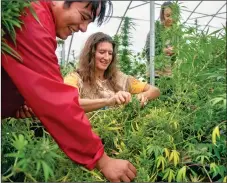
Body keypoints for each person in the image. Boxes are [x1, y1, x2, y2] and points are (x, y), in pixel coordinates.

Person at [2, 1, 137, 182]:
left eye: (110, 54)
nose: (83, 28)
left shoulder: (117, 78)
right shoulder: (33, 19)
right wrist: (102, 160)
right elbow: (58, 102)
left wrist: (16, 102)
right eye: (83, 17)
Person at [63, 32, 160, 112]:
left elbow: (155, 90)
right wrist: (108, 101)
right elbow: (71, 103)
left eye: (110, 53)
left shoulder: (119, 78)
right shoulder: (74, 78)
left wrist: (141, 96)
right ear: (90, 54)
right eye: (102, 52)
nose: (107, 57)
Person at [144, 1, 180, 77]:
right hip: (155, 73)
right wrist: (163, 50)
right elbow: (148, 50)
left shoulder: (176, 33)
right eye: (167, 15)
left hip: (170, 73)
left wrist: (175, 51)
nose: (170, 18)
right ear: (162, 15)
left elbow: (180, 51)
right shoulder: (155, 30)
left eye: (173, 15)